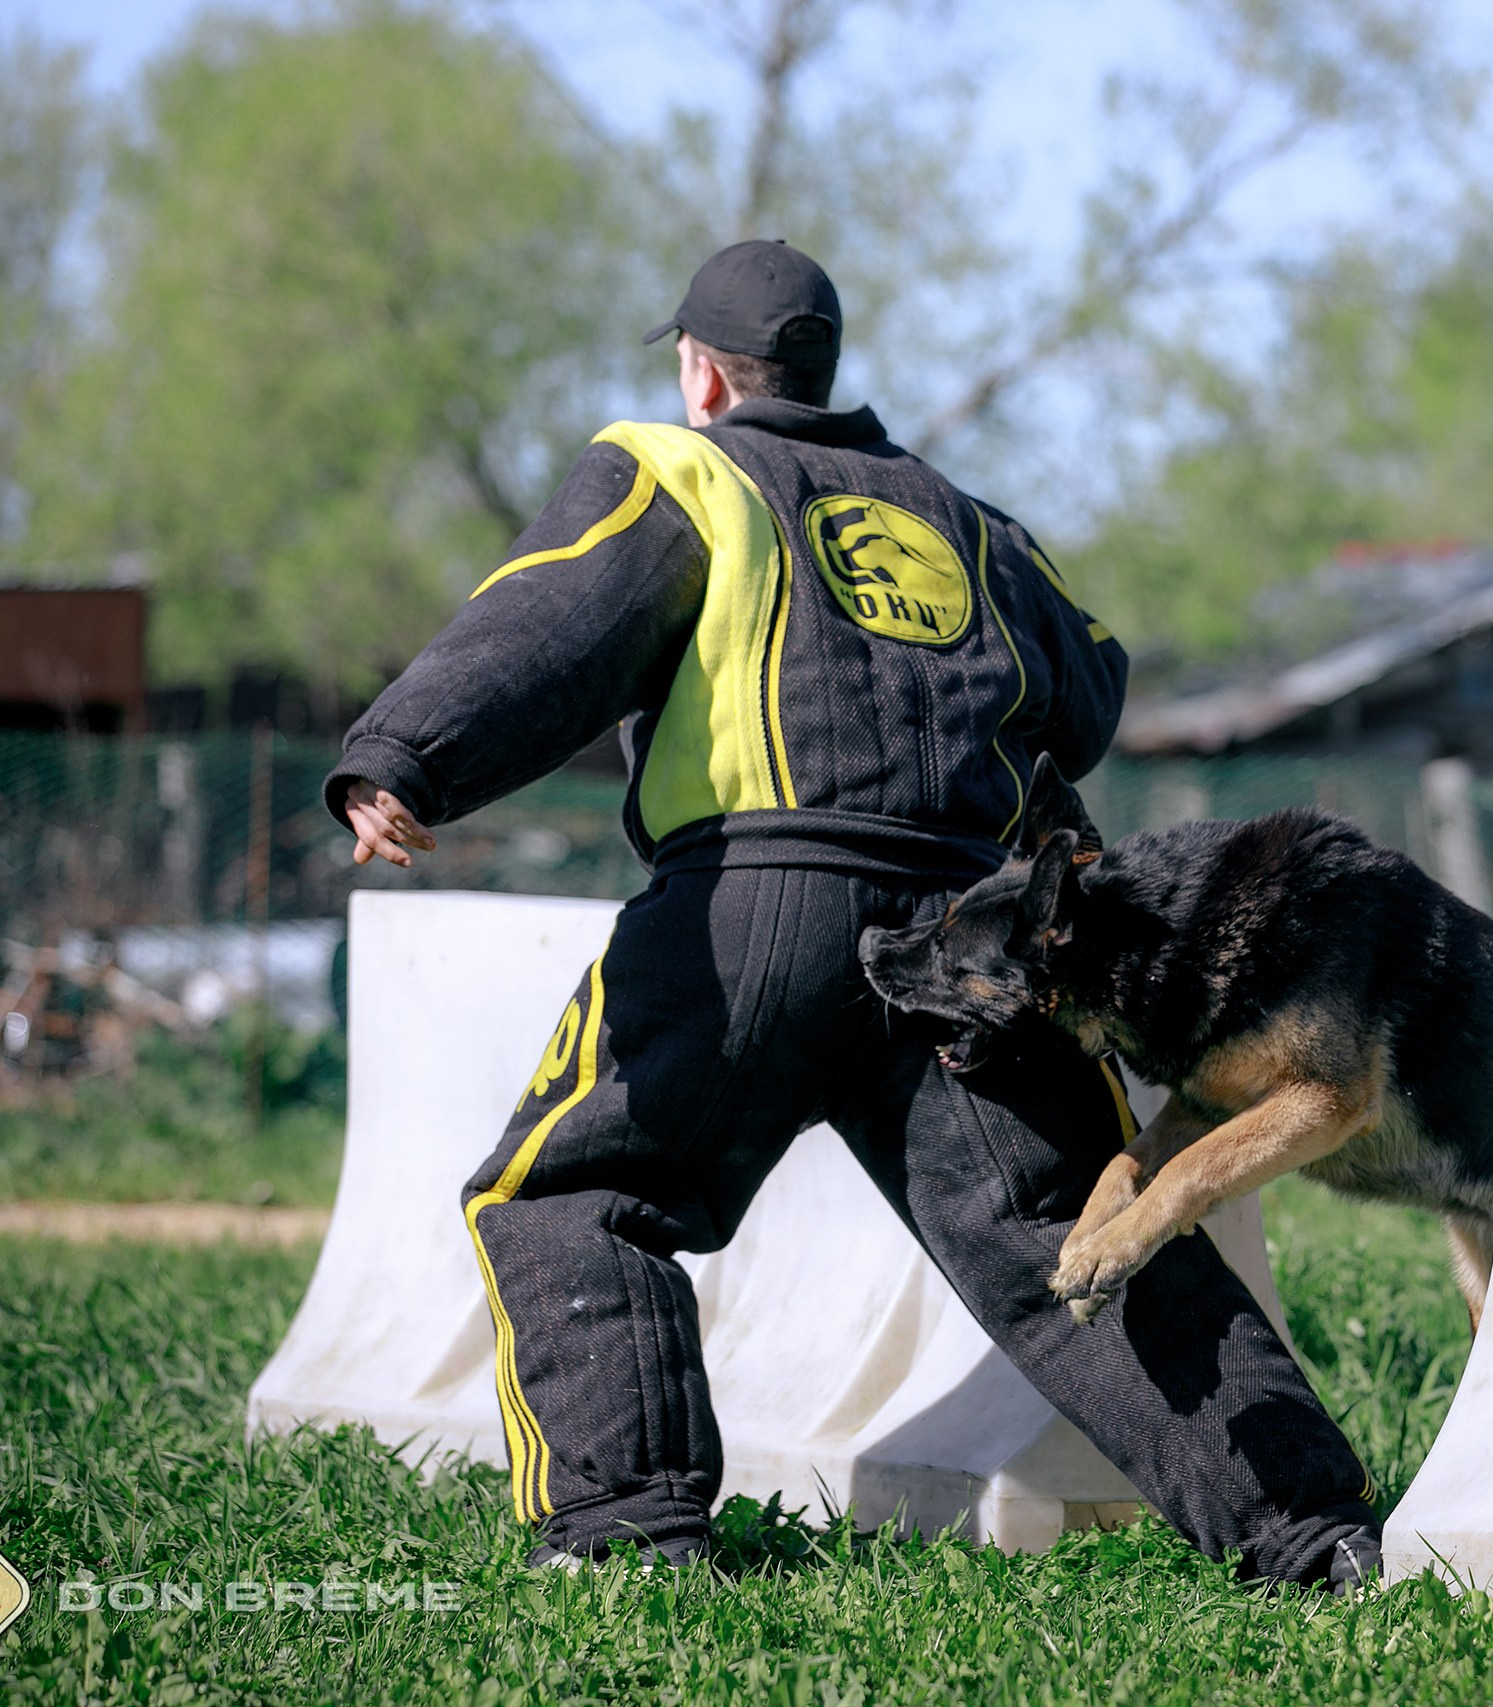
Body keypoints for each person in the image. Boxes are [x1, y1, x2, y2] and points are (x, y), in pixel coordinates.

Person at [327, 240, 1379, 1587]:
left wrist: (404, 755)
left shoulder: (683, 471)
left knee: (572, 1192)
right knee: (1076, 1235)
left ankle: (626, 1532)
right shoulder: (969, 519)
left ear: (703, 372)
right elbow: (1093, 691)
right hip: (975, 944)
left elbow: (548, 620)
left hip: (746, 919)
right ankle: (1312, 1531)